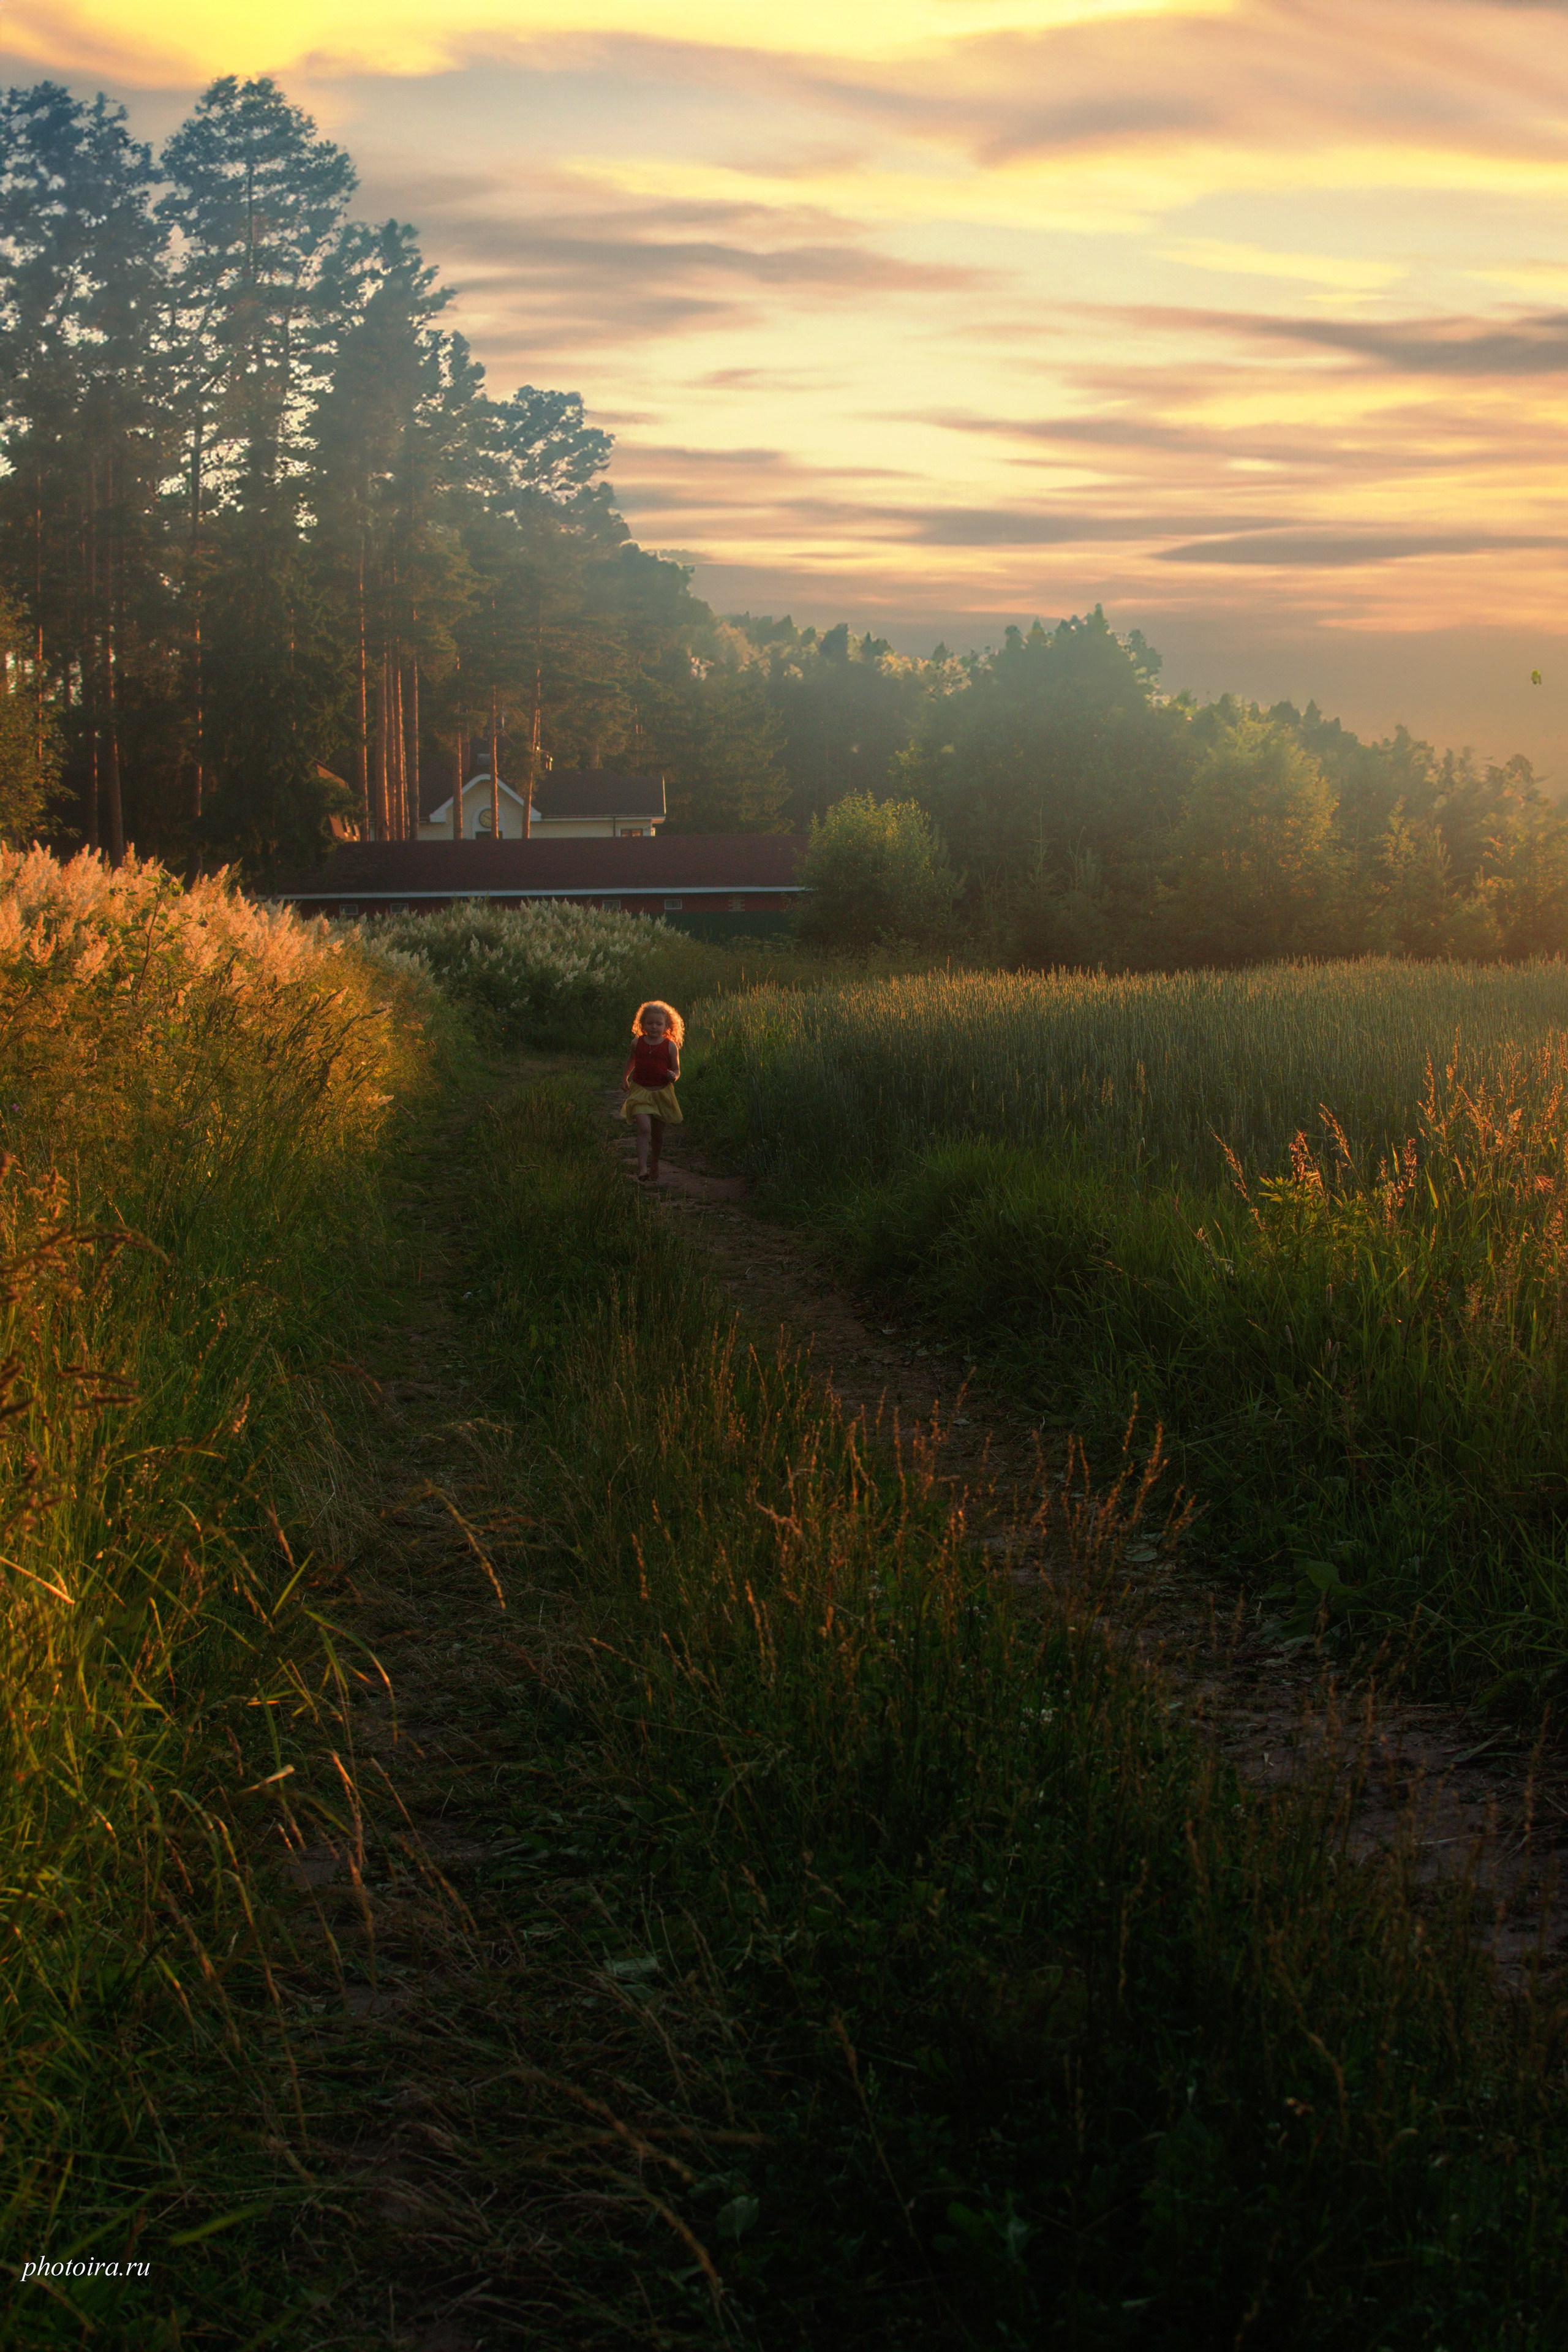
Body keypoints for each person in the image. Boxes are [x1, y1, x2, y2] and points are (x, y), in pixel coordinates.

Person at [621, 999, 684, 1184]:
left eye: (658, 1024)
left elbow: (677, 1070)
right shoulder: (637, 1043)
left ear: (666, 1026)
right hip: (640, 1091)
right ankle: (642, 1169)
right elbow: (631, 1060)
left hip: (662, 1093)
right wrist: (624, 1077)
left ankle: (655, 1163)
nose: (654, 1027)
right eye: (650, 1023)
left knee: (658, 1134)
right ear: (642, 1024)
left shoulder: (671, 1046)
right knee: (644, 1129)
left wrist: (674, 1076)